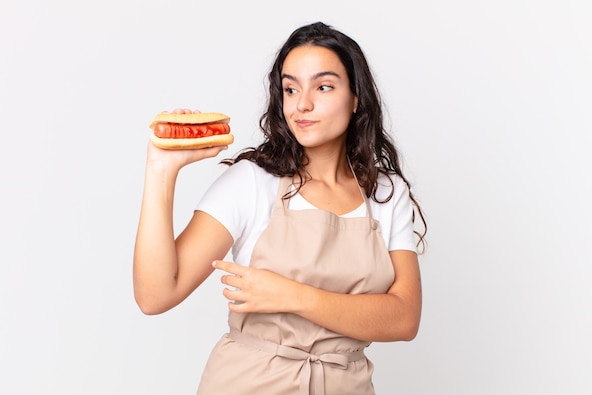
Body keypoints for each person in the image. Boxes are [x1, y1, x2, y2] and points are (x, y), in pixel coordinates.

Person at [133, 21, 427, 395]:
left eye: (323, 86)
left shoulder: (385, 193)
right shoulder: (252, 181)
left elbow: (404, 319)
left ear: (356, 99)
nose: (302, 104)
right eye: (291, 88)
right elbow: (156, 295)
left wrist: (292, 296)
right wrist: (161, 170)